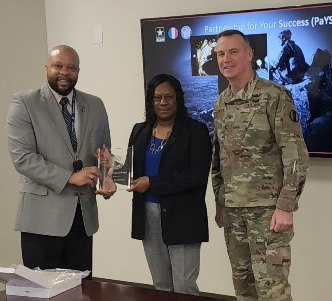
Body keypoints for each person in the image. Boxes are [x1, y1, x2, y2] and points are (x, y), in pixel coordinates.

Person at [212, 30, 309, 301]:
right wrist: (220, 203)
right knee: (244, 290)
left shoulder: (274, 96)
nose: (226, 59)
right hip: (233, 213)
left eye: (233, 51)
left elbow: (296, 155)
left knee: (272, 292)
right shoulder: (221, 103)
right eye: (221, 54)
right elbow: (219, 160)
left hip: (268, 214)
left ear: (249, 54)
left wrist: (285, 206)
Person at [6, 45, 115, 278]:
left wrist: (106, 178)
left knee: (81, 289)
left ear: (78, 71)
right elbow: (23, 158)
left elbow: (103, 152)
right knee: (42, 290)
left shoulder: (95, 105)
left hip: (82, 219)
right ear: (47, 68)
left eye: (71, 67)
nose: (64, 72)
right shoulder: (24, 103)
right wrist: (70, 177)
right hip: (41, 218)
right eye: (58, 66)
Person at [127, 74, 211, 295]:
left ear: (178, 99)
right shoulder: (139, 130)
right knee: (161, 286)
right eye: (157, 98)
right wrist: (109, 166)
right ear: (150, 101)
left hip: (183, 217)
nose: (162, 103)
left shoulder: (196, 131)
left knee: (184, 286)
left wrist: (152, 183)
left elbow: (197, 175)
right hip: (147, 214)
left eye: (168, 97)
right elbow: (130, 172)